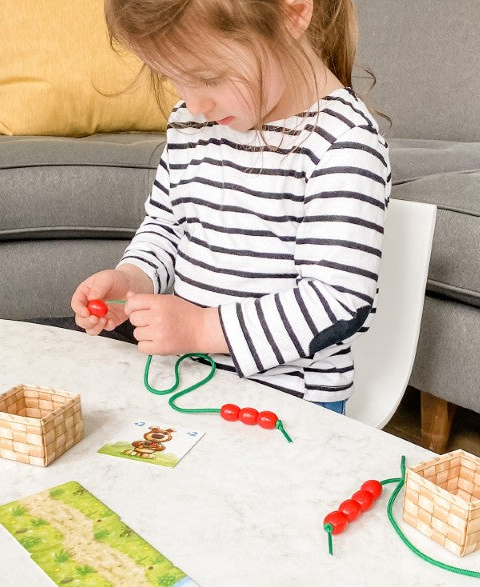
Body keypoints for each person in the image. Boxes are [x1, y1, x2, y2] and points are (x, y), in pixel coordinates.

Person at [71, 0, 391, 414]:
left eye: (209, 77)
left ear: (292, 14)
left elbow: (339, 302)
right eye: (173, 77)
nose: (195, 103)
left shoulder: (343, 144)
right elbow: (167, 226)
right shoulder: (193, 123)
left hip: (289, 405)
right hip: (188, 383)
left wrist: (201, 329)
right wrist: (133, 278)